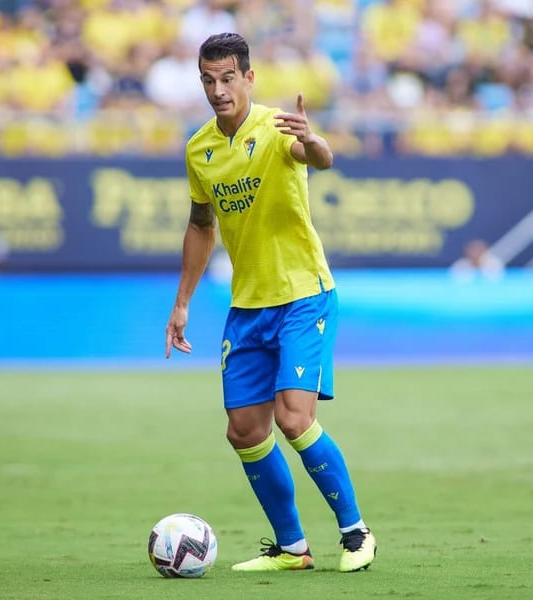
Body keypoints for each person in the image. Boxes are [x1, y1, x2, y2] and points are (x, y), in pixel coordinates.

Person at [164, 32, 376, 573]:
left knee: (293, 418)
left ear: (249, 78)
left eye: (228, 78)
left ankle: (356, 534)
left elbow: (319, 158)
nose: (218, 90)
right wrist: (183, 303)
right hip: (249, 304)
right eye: (208, 80)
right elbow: (200, 225)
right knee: (244, 430)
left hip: (304, 294)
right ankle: (292, 548)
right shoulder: (199, 150)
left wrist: (316, 139)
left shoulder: (278, 128)